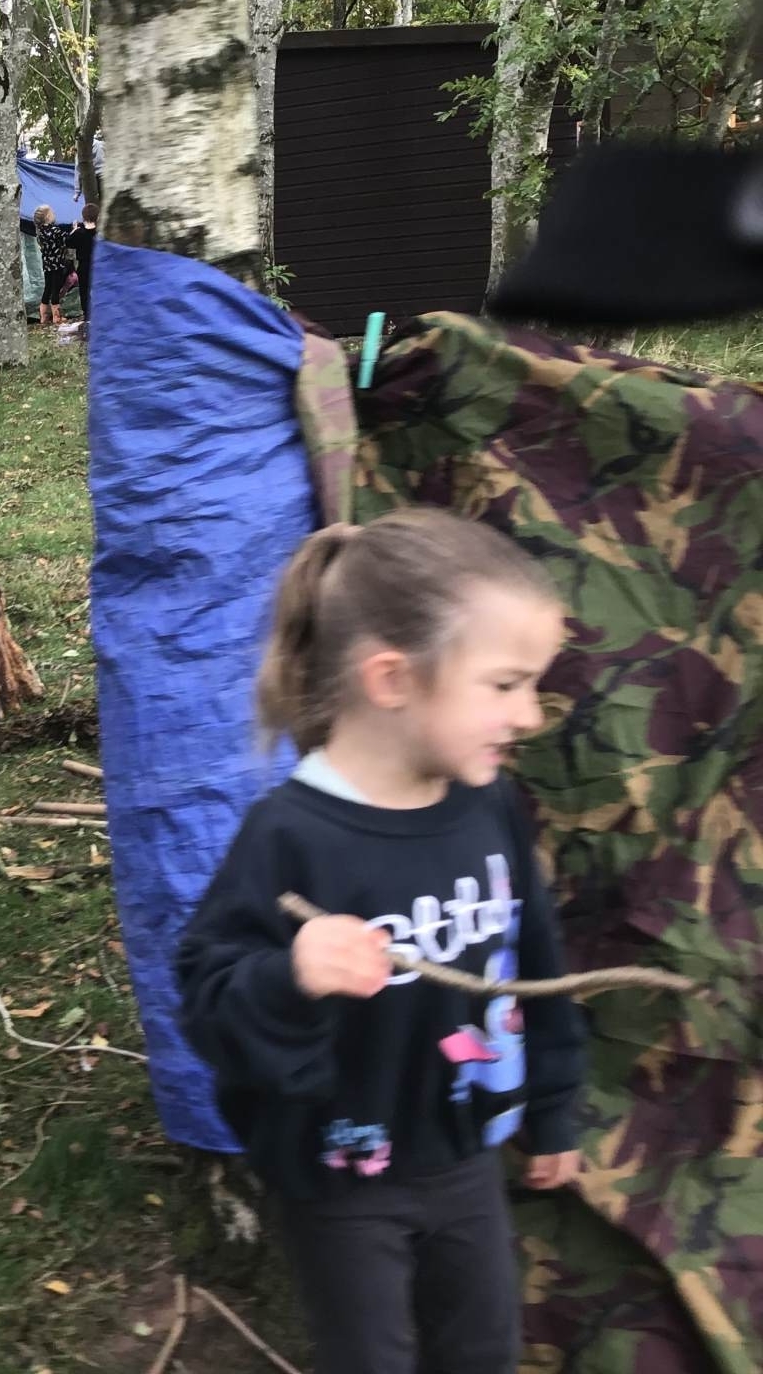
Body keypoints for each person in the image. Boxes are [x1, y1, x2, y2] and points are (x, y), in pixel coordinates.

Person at [177, 509, 588, 1374]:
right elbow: (209, 999)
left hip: (467, 1161)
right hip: (339, 1181)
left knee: (483, 1348)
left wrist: (552, 1107)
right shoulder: (291, 835)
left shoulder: (487, 806)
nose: (528, 714)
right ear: (393, 678)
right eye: (504, 685)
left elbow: (533, 956)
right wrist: (290, 975)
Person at [34, 205, 71, 326]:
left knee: (48, 288)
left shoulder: (40, 232)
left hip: (47, 264)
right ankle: (56, 316)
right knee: (56, 289)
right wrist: (74, 229)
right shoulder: (55, 230)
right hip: (57, 264)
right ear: (48, 217)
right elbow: (67, 239)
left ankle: (43, 315)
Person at [67, 203, 98, 325]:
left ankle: (87, 314)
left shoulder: (79, 232)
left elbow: (68, 242)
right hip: (97, 264)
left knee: (84, 290)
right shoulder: (99, 233)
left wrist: (74, 229)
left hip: (83, 265)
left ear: (83, 217)